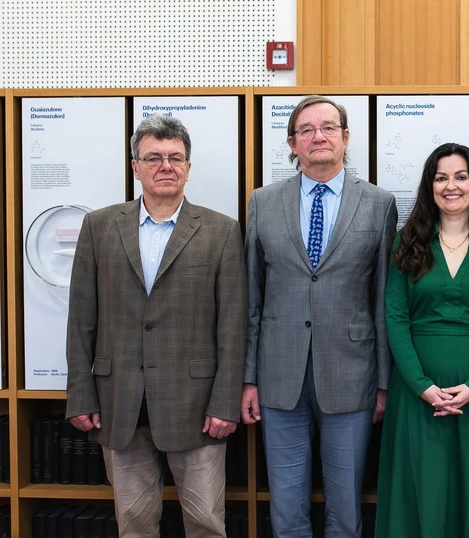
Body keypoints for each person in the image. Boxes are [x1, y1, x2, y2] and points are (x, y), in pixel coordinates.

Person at [65, 114, 247, 537]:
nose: (166, 166)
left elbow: (233, 327)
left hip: (197, 406)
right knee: (133, 524)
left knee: (205, 524)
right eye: (154, 158)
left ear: (188, 167)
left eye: (175, 158)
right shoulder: (99, 227)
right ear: (135, 167)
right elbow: (81, 321)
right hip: (119, 403)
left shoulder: (221, 231)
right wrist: (80, 394)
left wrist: (225, 402)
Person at [241, 95, 398, 537]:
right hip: (278, 376)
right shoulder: (263, 201)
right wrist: (248, 377)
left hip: (352, 375)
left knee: (346, 508)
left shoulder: (379, 203)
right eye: (306, 130)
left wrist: (383, 382)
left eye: (328, 127)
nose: (318, 136)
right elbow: (251, 296)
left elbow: (384, 298)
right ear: (292, 144)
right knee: (286, 510)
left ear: (346, 138)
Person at [374, 143, 469, 538]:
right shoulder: (406, 243)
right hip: (417, 395)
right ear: (430, 186)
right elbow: (396, 319)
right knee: (420, 492)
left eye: (460, 176)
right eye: (441, 177)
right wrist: (422, 386)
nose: (451, 186)